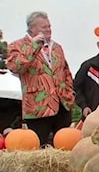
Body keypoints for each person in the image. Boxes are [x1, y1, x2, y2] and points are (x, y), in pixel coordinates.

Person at [7, 11, 74, 145]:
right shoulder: (17, 46)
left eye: (49, 27)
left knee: (65, 145)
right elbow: (15, 66)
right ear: (32, 28)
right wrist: (34, 45)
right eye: (44, 27)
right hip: (38, 108)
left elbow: (66, 71)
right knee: (38, 146)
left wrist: (69, 93)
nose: (49, 30)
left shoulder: (57, 48)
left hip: (63, 105)